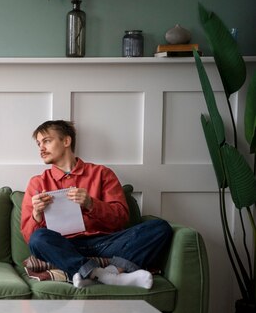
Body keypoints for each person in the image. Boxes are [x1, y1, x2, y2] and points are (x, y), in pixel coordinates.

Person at [20, 120, 172, 289]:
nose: (41, 149)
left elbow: (121, 218)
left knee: (160, 227)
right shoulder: (37, 183)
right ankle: (103, 274)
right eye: (39, 143)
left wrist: (91, 203)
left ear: (66, 141)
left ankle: (103, 272)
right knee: (39, 238)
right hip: (64, 246)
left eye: (47, 141)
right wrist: (37, 215)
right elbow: (30, 239)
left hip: (105, 244)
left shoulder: (102, 174)